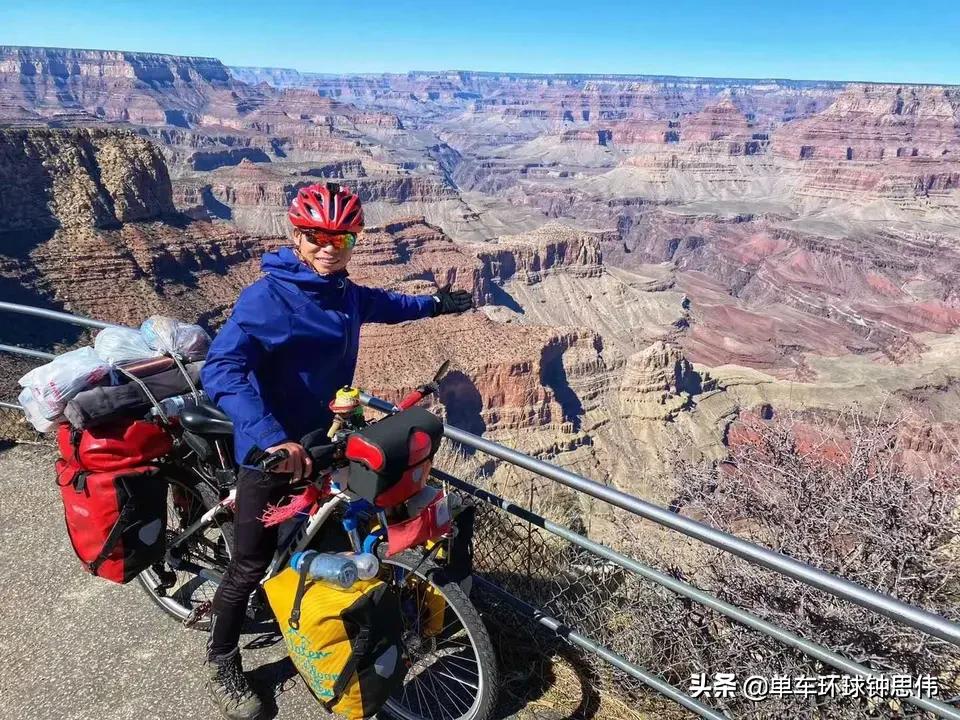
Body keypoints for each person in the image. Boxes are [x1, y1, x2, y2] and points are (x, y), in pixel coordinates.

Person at [199, 182, 473, 720]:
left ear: (354, 240)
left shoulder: (343, 291)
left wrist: (436, 303)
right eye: (315, 235)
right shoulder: (267, 297)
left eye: (342, 237)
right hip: (272, 449)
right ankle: (221, 657)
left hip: (327, 438)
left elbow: (387, 305)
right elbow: (221, 369)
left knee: (345, 524)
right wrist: (271, 438)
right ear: (296, 237)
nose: (329, 246)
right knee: (250, 562)